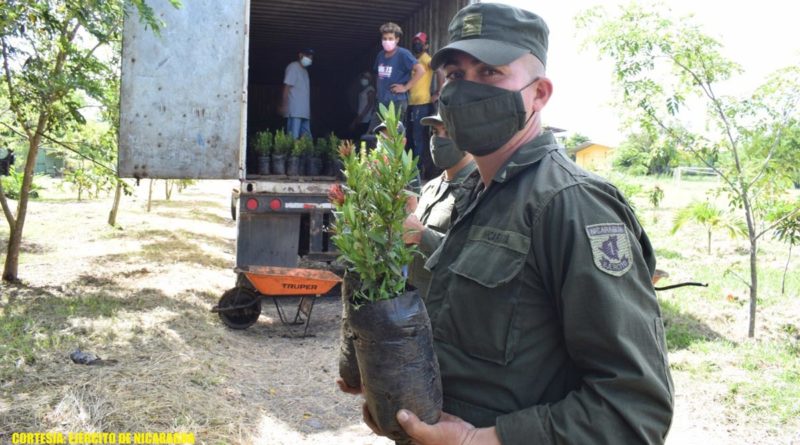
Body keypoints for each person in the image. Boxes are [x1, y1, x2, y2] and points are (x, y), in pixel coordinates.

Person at [342, 4, 675, 445]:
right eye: (456, 75)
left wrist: (477, 440)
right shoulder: (476, 194)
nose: (464, 91)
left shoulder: (572, 206)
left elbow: (635, 410)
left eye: (490, 72)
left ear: (539, 94)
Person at [404, 113, 476, 298]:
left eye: (449, 132)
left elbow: (473, 257)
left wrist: (422, 235)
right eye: (435, 131)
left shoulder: (480, 189)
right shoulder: (430, 187)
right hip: (418, 303)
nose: (438, 139)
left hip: (448, 307)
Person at [369, 22, 425, 133]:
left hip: (396, 101)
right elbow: (378, 75)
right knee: (373, 133)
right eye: (384, 38)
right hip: (381, 101)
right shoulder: (380, 55)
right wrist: (377, 92)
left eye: (390, 38)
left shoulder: (403, 54)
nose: (387, 41)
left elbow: (421, 70)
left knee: (393, 134)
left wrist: (405, 87)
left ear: (397, 39)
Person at [406, 32, 443, 180]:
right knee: (410, 138)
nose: (417, 44)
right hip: (412, 104)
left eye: (420, 42)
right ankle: (411, 171)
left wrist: (438, 92)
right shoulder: (414, 60)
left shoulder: (427, 58)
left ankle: (417, 173)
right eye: (415, 41)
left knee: (418, 139)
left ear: (426, 45)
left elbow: (439, 71)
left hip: (421, 104)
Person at [281, 49, 314, 139]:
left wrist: (308, 111)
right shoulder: (293, 67)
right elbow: (287, 87)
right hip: (294, 111)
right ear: (300, 55)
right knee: (293, 138)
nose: (309, 58)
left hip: (304, 112)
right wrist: (284, 105)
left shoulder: (305, 71)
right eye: (307, 56)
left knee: (307, 140)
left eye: (311, 57)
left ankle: (307, 154)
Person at [349, 71, 376, 138]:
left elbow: (369, 105)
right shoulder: (364, 89)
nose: (365, 79)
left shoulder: (370, 90)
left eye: (367, 77)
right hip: (361, 118)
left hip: (366, 119)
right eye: (364, 77)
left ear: (370, 80)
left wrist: (360, 117)